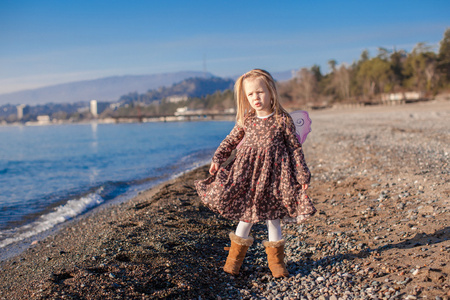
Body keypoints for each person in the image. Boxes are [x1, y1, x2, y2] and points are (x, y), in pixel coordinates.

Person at [195, 69, 316, 278]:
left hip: (275, 178)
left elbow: (295, 149)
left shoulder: (282, 120)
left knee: (273, 219)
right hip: (248, 177)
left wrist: (302, 175)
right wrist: (217, 158)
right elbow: (230, 140)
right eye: (250, 94)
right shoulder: (247, 119)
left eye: (259, 92)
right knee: (246, 217)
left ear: (270, 91)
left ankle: (277, 265)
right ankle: (233, 263)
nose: (255, 98)